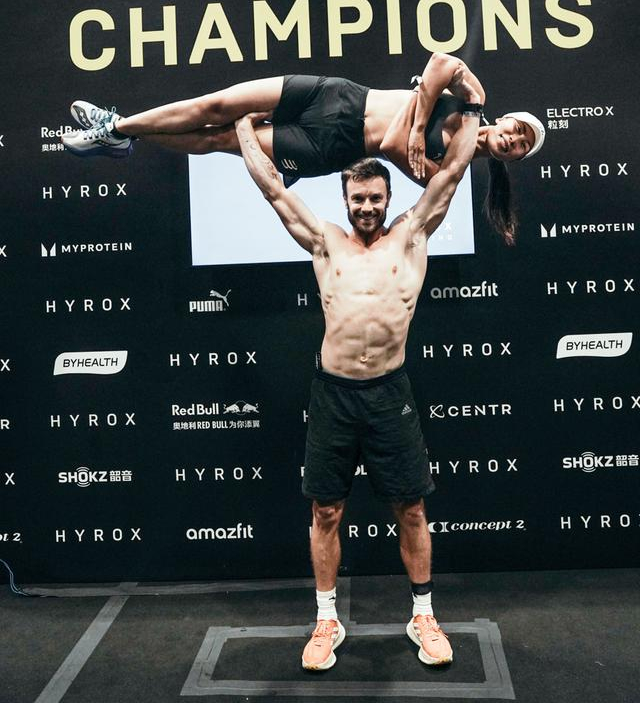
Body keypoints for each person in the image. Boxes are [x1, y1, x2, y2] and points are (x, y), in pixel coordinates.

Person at [233, 88, 481, 671]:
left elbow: (451, 174)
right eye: (357, 199)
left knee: (411, 509)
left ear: (389, 197)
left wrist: (472, 113)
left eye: (374, 198)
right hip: (334, 395)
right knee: (325, 512)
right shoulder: (325, 242)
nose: (366, 207)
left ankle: (423, 616)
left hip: (390, 393)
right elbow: (273, 189)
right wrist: (243, 125)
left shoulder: (412, 234)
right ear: (345, 200)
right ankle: (326, 620)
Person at [62, 52, 545, 243]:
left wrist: (422, 104)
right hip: (336, 94)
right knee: (217, 103)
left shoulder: (453, 164)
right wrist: (420, 123)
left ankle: (120, 137)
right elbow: (441, 62)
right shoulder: (471, 101)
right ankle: (118, 126)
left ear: (513, 158)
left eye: (520, 146)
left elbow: (394, 144)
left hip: (328, 145)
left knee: (221, 137)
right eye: (519, 129)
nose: (514, 139)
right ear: (510, 119)